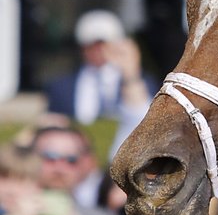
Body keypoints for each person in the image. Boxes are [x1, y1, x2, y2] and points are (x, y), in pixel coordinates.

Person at [42, 10, 156, 156]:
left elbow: (144, 120)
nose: (99, 50)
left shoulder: (140, 82)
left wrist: (131, 72)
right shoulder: (61, 86)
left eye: (104, 44)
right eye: (91, 45)